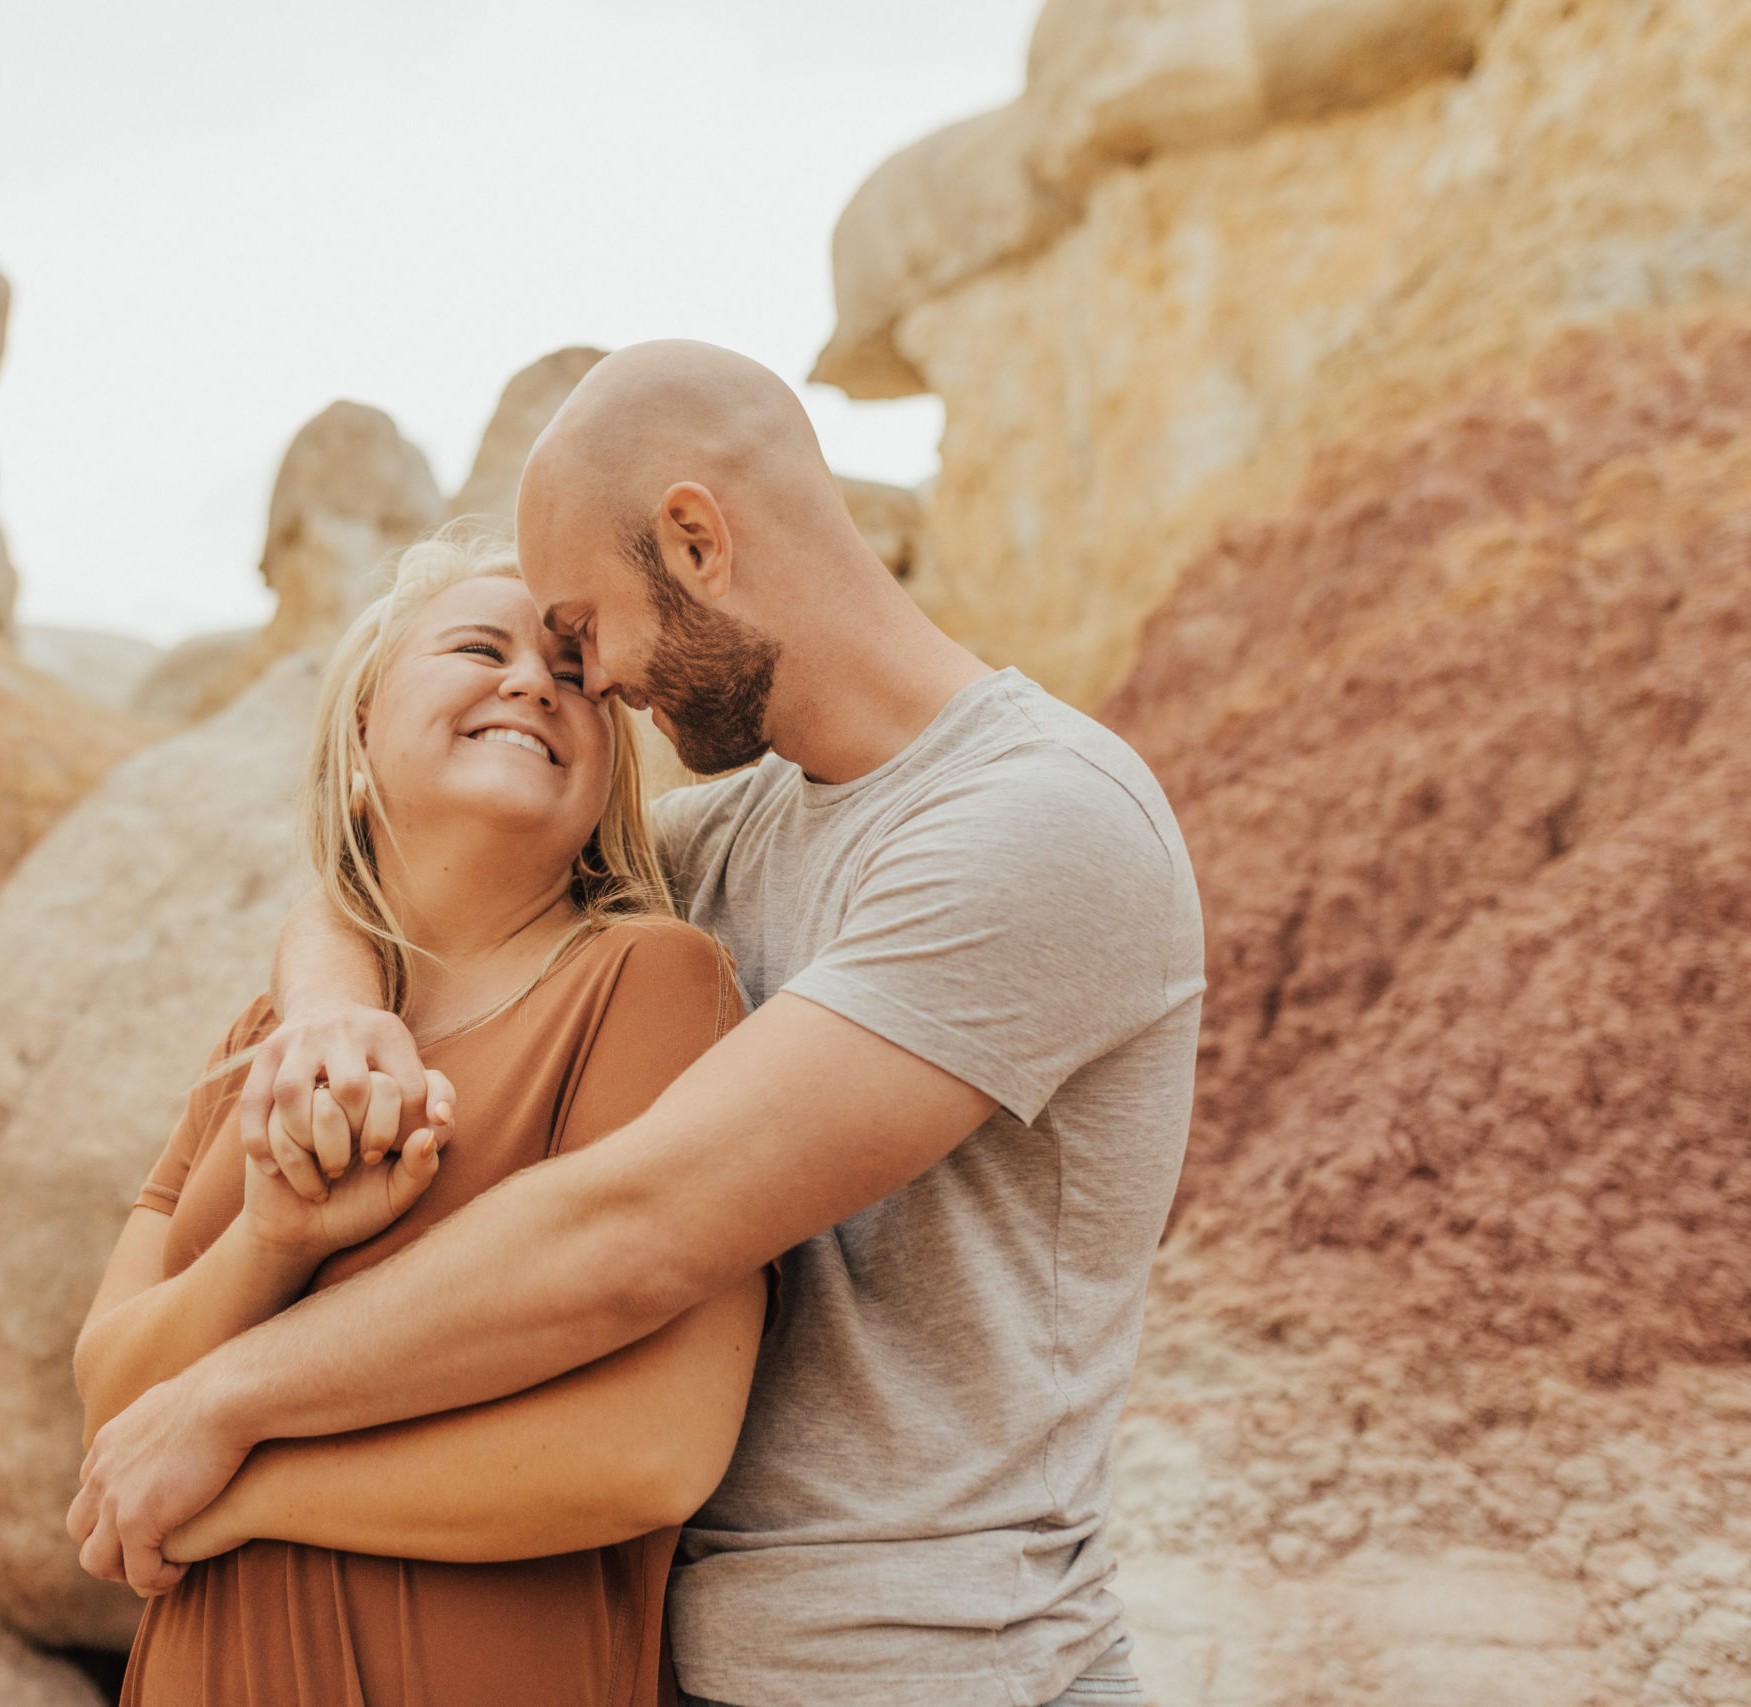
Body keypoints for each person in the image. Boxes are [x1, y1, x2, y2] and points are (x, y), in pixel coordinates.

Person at [73, 341, 1206, 1707]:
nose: (584, 680)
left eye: (576, 627)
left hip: (946, 1659)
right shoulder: (725, 835)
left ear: (695, 539)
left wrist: (226, 1408)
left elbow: (633, 1230)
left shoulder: (1036, 822)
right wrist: (334, 1011)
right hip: (701, 1659)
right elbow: (409, 897)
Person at [70, 528, 767, 1707]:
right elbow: (111, 1398)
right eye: (476, 646)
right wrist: (275, 1242)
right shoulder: (264, 1043)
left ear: (607, 773)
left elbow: (649, 1454)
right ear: (357, 733)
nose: (530, 681)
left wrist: (232, 1484)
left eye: (567, 670)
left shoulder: (649, 983)